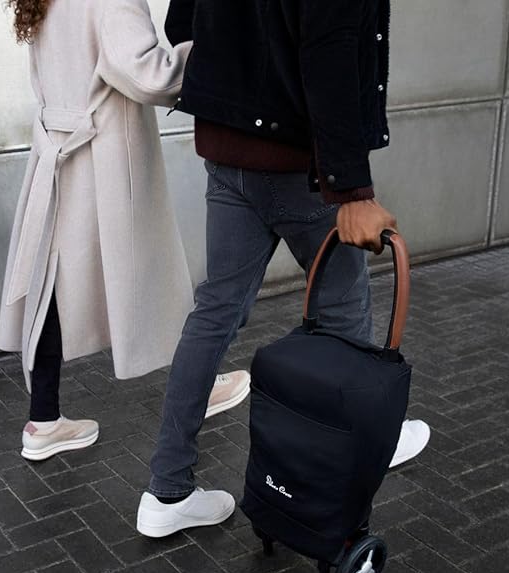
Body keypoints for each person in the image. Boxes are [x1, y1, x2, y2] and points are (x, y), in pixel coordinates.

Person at [136, 0, 430, 538]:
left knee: (214, 314)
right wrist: (353, 192)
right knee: (345, 314)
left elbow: (183, 24)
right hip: (298, 164)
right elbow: (329, 50)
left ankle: (166, 490)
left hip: (229, 155)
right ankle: (364, 452)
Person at [0, 0, 250, 462]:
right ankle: (201, 386)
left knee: (50, 281)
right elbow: (146, 75)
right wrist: (212, 48)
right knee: (150, 267)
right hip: (105, 159)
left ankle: (43, 419)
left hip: (60, 149)